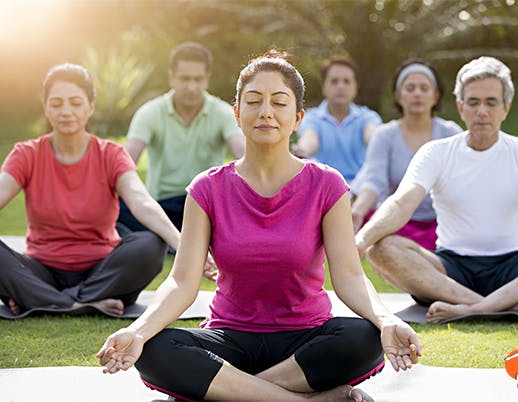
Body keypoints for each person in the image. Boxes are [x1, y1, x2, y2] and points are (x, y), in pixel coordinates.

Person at [97, 50, 420, 402]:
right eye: (253, 101)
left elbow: (351, 278)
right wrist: (138, 330)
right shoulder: (207, 188)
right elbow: (181, 281)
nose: (266, 111)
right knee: (157, 347)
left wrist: (387, 320)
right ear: (236, 113)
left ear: (298, 118)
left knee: (365, 337)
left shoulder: (326, 185)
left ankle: (229, 393)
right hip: (228, 340)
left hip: (304, 344)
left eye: (279, 103)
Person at [355, 56, 518, 324]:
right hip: (450, 271)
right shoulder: (437, 152)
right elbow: (401, 203)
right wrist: (360, 240)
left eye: (491, 102)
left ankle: (471, 308)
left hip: (517, 270)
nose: (481, 110)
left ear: (506, 107)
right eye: (473, 102)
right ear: (460, 107)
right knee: (381, 248)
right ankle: (498, 306)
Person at [0, 63, 180, 316]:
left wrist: (180, 242)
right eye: (57, 103)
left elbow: (140, 200)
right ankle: (74, 304)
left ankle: (46, 300)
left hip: (104, 272)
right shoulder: (27, 154)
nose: (66, 111)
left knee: (151, 244)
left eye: (75, 102)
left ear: (90, 106)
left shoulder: (111, 154)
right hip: (42, 272)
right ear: (46, 107)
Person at [117, 42, 244, 233]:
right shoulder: (150, 112)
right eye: (185, 79)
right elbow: (125, 164)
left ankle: (170, 239)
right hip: (161, 207)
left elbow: (243, 155)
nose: (191, 87)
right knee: (117, 204)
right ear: (172, 78)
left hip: (206, 207)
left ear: (207, 80)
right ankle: (175, 237)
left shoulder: (223, 113)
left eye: (198, 79)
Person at [350, 60, 462, 250]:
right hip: (396, 222)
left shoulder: (451, 133)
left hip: (443, 222)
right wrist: (357, 211)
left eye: (424, 88)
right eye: (410, 88)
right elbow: (373, 182)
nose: (417, 93)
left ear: (435, 95)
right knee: (381, 239)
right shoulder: (384, 135)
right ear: (399, 95)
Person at [292, 56, 382, 183]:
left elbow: (373, 137)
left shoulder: (368, 117)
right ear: (324, 86)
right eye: (334, 81)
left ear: (355, 86)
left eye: (347, 81)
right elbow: (309, 139)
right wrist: (303, 150)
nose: (341, 86)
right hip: (324, 188)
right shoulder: (311, 118)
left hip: (361, 189)